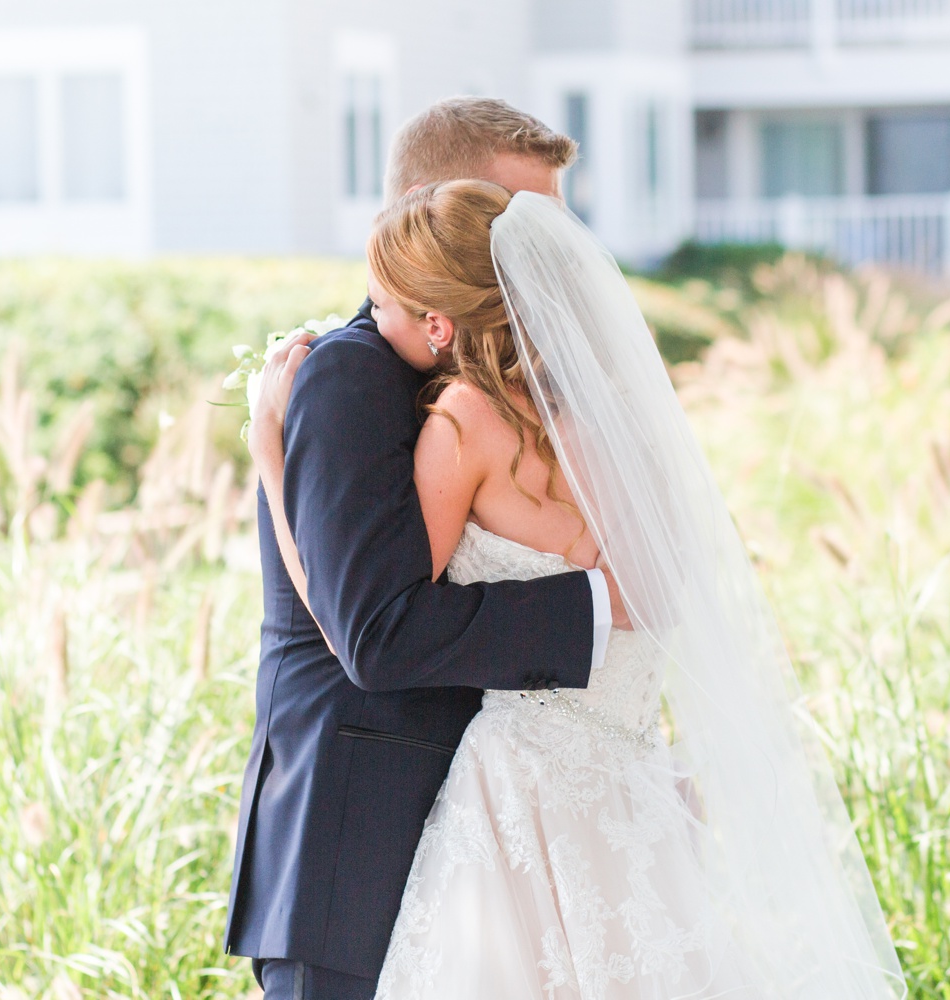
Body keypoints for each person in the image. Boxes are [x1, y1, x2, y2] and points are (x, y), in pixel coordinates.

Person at [258, 179, 908, 998]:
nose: (371, 320)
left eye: (382, 301)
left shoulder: (462, 424)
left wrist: (270, 459)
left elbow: (367, 629)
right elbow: (658, 600)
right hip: (635, 787)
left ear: (438, 322)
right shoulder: (626, 423)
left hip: (520, 789)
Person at [225, 98, 629, 1000]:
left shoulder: (508, 387)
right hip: (355, 841)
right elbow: (372, 632)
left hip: (495, 835)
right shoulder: (351, 374)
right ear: (429, 206)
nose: (539, 248)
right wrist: (601, 607)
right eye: (514, 219)